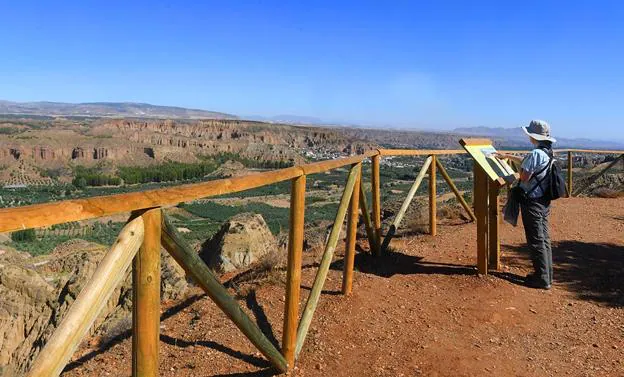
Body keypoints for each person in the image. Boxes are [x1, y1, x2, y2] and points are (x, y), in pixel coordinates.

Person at [496, 120, 556, 290]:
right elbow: (528, 161)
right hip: (543, 201)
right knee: (543, 239)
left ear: (533, 136)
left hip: (533, 202)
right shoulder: (547, 152)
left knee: (536, 239)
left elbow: (524, 177)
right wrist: (507, 156)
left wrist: (517, 173)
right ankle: (547, 275)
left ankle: (541, 279)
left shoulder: (536, 153)